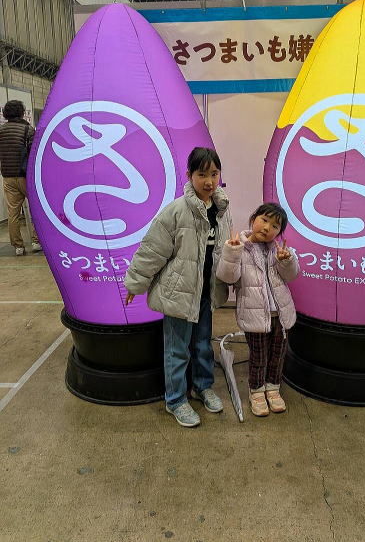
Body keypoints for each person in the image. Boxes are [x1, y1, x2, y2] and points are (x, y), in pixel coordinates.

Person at [124, 147, 231, 428]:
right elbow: (152, 250)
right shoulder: (176, 211)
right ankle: (175, 400)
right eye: (202, 174)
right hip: (178, 294)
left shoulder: (222, 209)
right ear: (189, 175)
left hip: (206, 293)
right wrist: (136, 282)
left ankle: (202, 387)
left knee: (203, 345)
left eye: (214, 174)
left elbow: (224, 250)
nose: (209, 181)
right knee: (177, 350)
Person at [216, 203, 299, 417]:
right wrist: (232, 252)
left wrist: (286, 261)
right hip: (254, 316)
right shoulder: (239, 247)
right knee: (259, 357)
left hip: (281, 315)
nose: (267, 227)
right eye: (264, 220)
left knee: (278, 355)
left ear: (279, 232)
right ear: (254, 219)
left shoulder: (279, 251)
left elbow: (291, 276)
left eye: (275, 226)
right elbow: (227, 277)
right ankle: (256, 391)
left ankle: (273, 388)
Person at [0, 100, 42, 256]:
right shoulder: (28, 130)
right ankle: (36, 241)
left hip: (8, 177)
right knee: (36, 209)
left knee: (13, 213)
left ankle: (18, 246)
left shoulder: (1, 130)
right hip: (26, 177)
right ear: (22, 112)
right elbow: (35, 153)